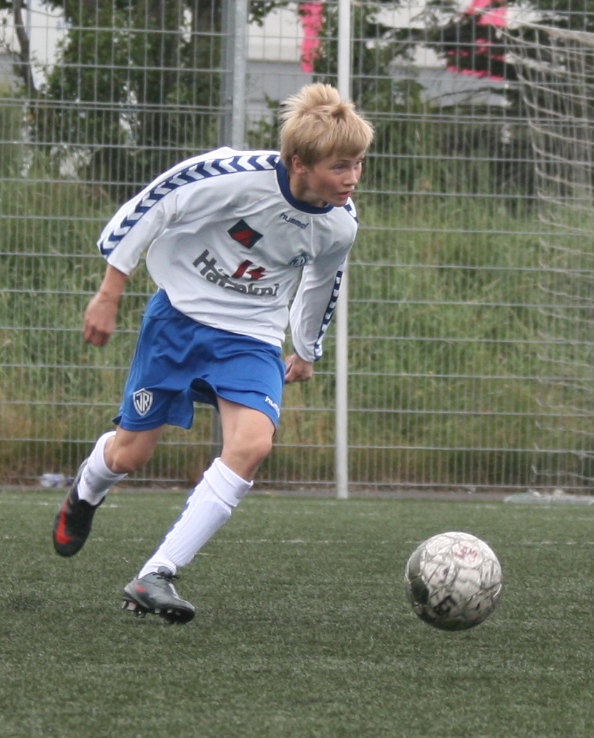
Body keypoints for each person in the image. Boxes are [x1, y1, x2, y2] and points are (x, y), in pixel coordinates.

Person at [52, 84, 370, 622]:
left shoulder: (340, 222)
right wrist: (109, 293)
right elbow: (154, 205)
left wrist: (305, 349)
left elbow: (323, 281)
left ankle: (157, 574)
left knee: (253, 444)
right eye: (340, 166)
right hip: (179, 317)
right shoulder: (233, 175)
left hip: (252, 336)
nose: (353, 177)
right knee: (130, 455)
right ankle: (86, 492)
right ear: (299, 163)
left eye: (359, 164)